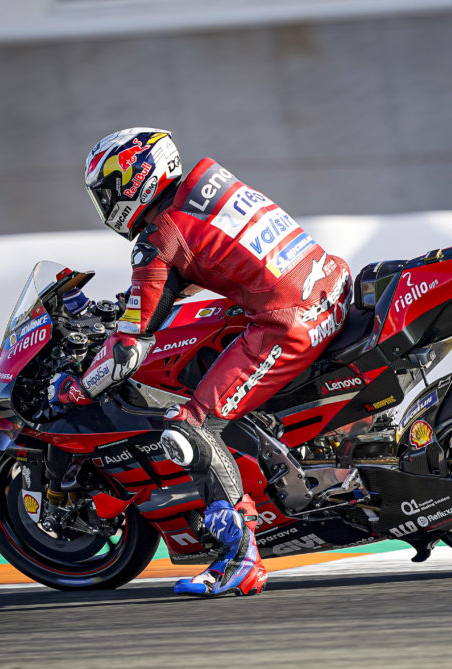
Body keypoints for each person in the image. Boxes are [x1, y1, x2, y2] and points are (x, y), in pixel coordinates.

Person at [47, 128, 351, 597]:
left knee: (189, 425)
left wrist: (79, 389)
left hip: (290, 322)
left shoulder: (159, 235)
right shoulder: (209, 185)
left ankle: (240, 557)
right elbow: (209, 260)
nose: (105, 206)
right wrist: (136, 300)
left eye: (106, 193)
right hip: (329, 282)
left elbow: (130, 346)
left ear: (134, 179)